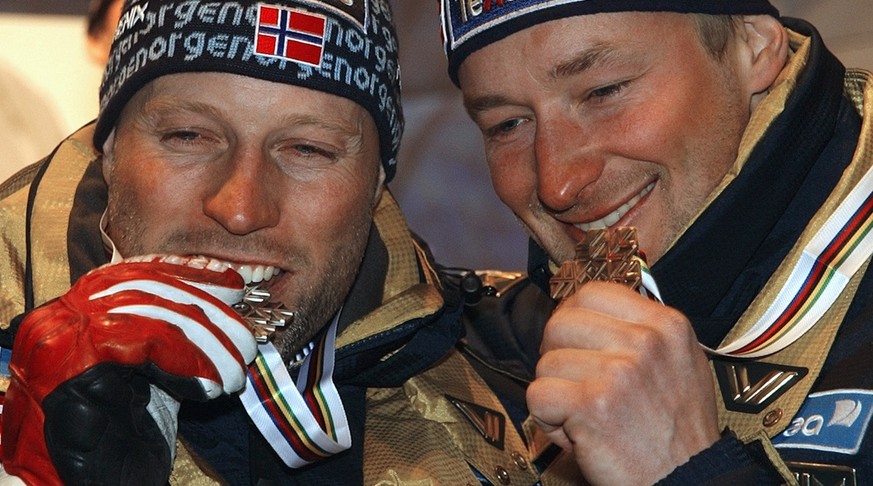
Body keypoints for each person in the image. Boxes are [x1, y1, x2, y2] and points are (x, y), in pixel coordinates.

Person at [0, 1, 578, 484]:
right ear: (109, 149)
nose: (241, 209)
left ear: (376, 183)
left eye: (307, 149)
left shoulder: (524, 374)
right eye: (188, 136)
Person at [439, 0, 873, 484]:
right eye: (507, 125)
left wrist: (683, 468)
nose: (557, 184)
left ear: (753, 45)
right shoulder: (491, 354)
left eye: (604, 91)